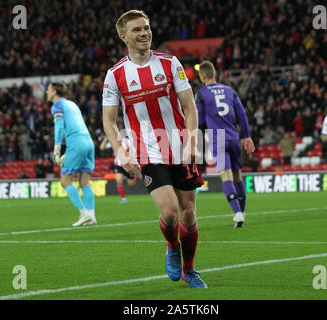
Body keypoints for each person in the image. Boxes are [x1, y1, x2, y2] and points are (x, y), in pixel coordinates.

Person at [102, 10, 207, 288]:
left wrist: (193, 140)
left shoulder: (171, 63)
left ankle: (190, 268)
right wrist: (120, 151)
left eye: (146, 28)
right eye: (137, 30)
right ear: (123, 36)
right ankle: (172, 246)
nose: (144, 33)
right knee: (170, 212)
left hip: (180, 147)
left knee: (188, 213)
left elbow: (189, 106)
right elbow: (108, 119)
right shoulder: (115, 75)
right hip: (147, 150)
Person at [195, 60, 255, 228]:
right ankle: (242, 212)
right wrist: (247, 137)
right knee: (237, 175)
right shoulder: (230, 91)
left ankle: (237, 213)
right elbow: (242, 115)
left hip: (217, 137)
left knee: (225, 175)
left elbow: (199, 121)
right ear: (214, 73)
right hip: (234, 137)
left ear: (204, 76)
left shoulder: (201, 94)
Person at [46, 82, 97, 227]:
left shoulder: (57, 106)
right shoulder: (72, 104)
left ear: (55, 92)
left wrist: (57, 149)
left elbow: (59, 126)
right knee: (84, 182)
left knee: (65, 181)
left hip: (76, 142)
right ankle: (91, 216)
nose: (46, 93)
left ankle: (84, 213)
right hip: (88, 141)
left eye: (48, 90)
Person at [100, 136, 137, 204]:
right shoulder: (114, 141)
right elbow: (102, 147)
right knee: (118, 180)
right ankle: (123, 199)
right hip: (119, 164)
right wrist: (106, 139)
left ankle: (133, 177)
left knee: (131, 184)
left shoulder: (128, 141)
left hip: (129, 164)